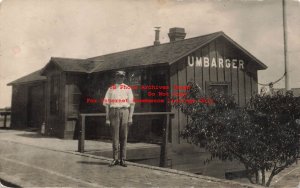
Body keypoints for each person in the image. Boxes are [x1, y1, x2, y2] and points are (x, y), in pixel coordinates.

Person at [103, 70, 135, 167]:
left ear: (124, 78)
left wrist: (130, 117)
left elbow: (132, 104)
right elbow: (107, 104)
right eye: (118, 76)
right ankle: (115, 159)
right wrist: (107, 118)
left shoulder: (128, 89)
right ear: (115, 77)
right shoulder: (111, 89)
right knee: (115, 137)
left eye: (122, 76)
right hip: (114, 112)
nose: (120, 78)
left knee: (124, 136)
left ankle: (123, 159)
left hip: (125, 111)